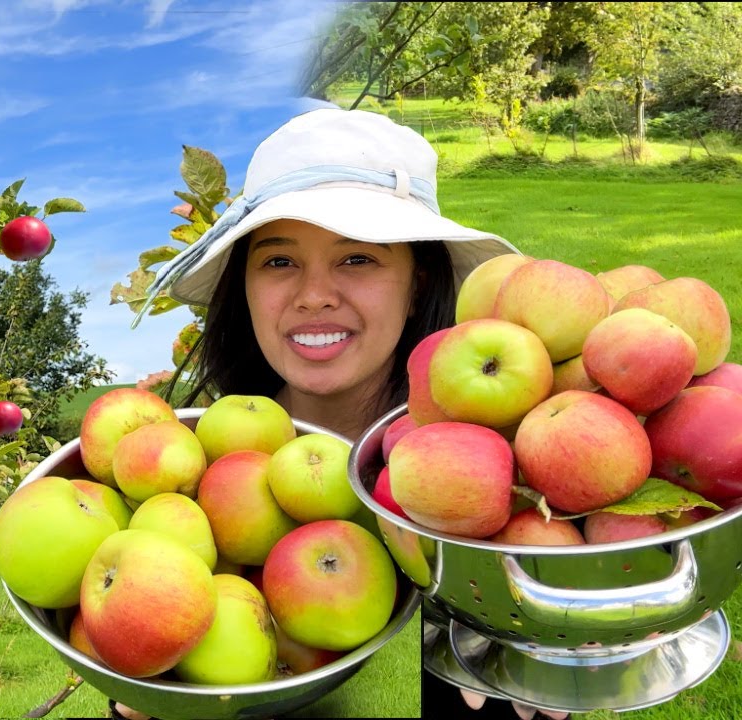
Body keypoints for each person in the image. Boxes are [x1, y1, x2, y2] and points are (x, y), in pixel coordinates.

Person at [114, 108, 566, 720]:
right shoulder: (191, 474)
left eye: (358, 259)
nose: (313, 294)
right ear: (242, 286)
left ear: (417, 283)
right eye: (278, 261)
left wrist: (549, 645)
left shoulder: (492, 479)